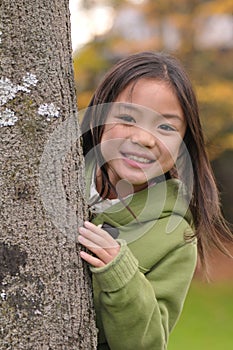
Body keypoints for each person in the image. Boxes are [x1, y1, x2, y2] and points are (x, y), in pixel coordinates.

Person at [77, 51, 233, 349]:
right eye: (127, 118)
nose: (144, 139)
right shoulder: (63, 176)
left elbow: (148, 343)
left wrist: (120, 273)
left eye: (165, 127)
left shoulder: (176, 237)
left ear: (183, 143)